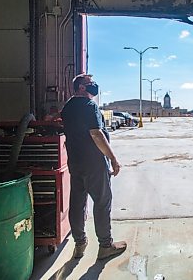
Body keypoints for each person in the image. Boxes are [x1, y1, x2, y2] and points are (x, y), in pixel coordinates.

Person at [61, 74, 127, 259]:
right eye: (90, 84)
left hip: (75, 162)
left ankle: (80, 243)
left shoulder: (67, 108)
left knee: (78, 203)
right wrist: (113, 159)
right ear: (81, 87)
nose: (94, 87)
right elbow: (97, 134)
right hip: (94, 164)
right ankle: (106, 245)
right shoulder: (89, 106)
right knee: (102, 202)